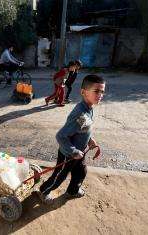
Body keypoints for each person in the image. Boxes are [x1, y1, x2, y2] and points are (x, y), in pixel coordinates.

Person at [37, 74, 106, 204]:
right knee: (59, 177)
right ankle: (43, 191)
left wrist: (90, 139)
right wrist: (73, 151)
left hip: (80, 153)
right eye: (96, 91)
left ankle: (72, 191)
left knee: (81, 172)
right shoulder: (80, 113)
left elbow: (84, 128)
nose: (100, 95)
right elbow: (61, 136)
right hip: (68, 154)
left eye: (102, 91)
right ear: (83, 92)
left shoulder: (89, 108)